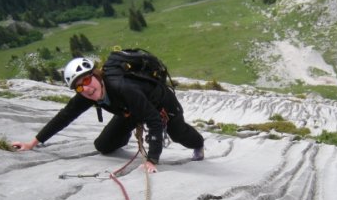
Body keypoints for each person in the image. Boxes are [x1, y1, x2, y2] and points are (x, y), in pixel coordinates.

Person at [11, 56, 205, 173]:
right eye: (79, 86)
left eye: (87, 80)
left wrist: (152, 160)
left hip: (160, 105)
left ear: (96, 75)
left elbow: (154, 120)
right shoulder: (87, 94)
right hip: (130, 111)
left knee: (179, 133)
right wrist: (33, 143)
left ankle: (199, 143)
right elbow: (64, 116)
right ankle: (127, 131)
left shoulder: (123, 88)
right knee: (103, 145)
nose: (86, 88)